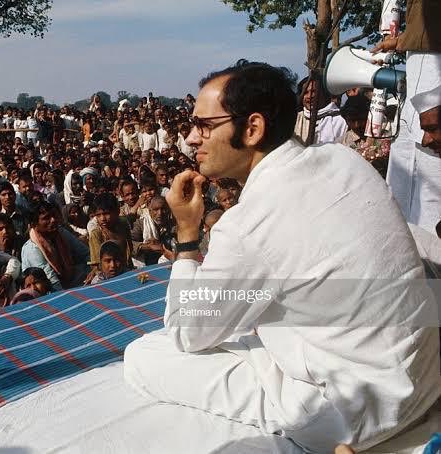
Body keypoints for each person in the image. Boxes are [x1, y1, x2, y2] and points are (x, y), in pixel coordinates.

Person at [123, 60, 441, 453]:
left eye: (204, 126)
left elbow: (187, 333)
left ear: (252, 128)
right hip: (425, 379)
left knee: (143, 354)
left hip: (352, 414)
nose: (190, 138)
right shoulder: (345, 161)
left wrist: (187, 238)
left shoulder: (247, 224)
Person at [377, 0, 441, 233]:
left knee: (432, 168)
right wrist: (401, 41)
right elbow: (425, 27)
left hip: (434, 78)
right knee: (402, 174)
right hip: (419, 74)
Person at [21, 201, 89, 290]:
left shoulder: (60, 232)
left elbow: (86, 253)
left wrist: (93, 270)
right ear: (34, 224)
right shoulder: (32, 249)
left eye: (53, 215)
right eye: (46, 218)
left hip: (71, 281)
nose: (53, 220)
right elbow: (51, 281)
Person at [88, 192, 133, 277]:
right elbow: (97, 264)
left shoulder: (123, 224)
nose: (102, 219)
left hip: (126, 269)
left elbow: (129, 249)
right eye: (98, 215)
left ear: (117, 211)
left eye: (106, 213)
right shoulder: (96, 234)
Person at [294, 78, 348, 145]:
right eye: (305, 92)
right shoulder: (295, 119)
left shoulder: (341, 120)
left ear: (324, 94)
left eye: (314, 91)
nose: (309, 96)